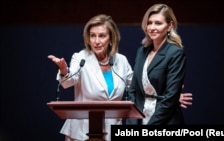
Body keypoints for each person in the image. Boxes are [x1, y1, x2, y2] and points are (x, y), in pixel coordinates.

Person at [48, 14, 192, 141]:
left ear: (111, 39)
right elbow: (69, 80)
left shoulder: (121, 61)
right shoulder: (81, 58)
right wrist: (63, 70)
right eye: (93, 35)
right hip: (81, 132)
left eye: (102, 36)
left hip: (112, 131)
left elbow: (138, 86)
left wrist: (168, 96)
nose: (96, 41)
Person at [125, 3, 188, 125]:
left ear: (170, 26)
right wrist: (132, 121)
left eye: (158, 23)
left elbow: (171, 98)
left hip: (164, 121)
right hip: (139, 119)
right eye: (149, 22)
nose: (152, 27)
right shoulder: (141, 51)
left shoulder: (175, 53)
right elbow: (133, 90)